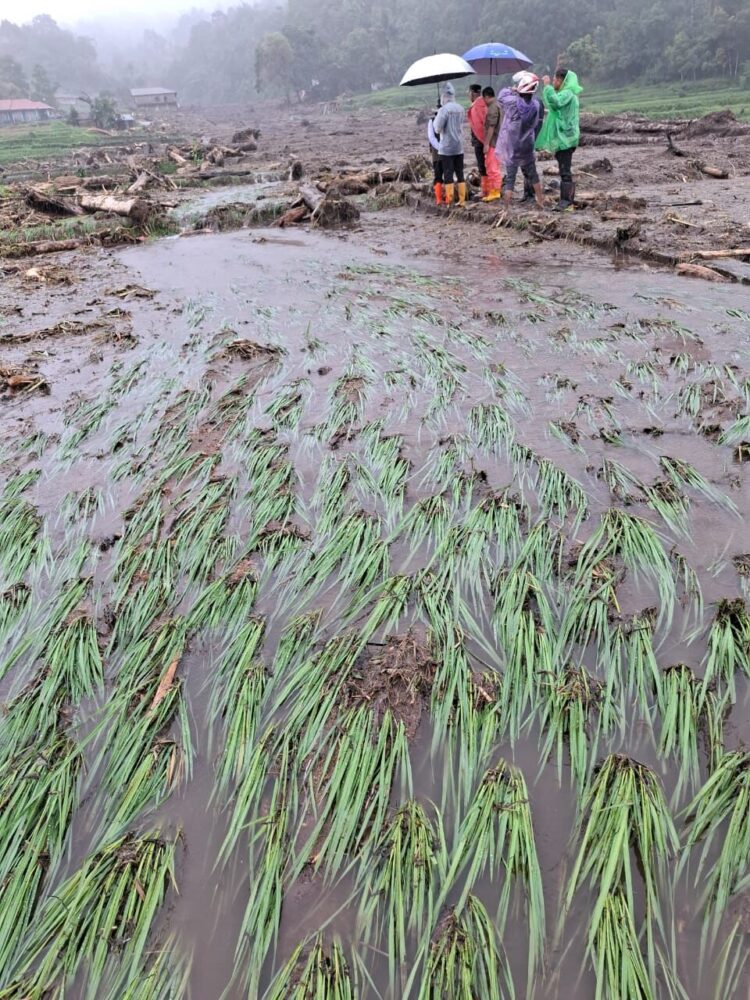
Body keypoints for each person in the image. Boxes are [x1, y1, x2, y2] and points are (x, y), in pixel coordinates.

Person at [536, 66, 582, 210]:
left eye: (555, 79)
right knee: (564, 169)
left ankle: (567, 202)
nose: (554, 81)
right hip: (565, 139)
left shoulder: (567, 93)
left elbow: (555, 102)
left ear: (561, 80)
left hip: (567, 139)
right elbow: (553, 102)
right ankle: (565, 201)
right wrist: (549, 89)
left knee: (565, 170)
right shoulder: (566, 93)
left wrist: (547, 87)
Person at [496, 73, 545, 209]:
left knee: (510, 178)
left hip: (512, 145)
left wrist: (512, 90)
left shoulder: (512, 102)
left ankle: (506, 208)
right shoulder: (535, 105)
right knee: (533, 174)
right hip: (527, 144)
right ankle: (540, 201)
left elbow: (500, 97)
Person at [433, 82, 466, 206]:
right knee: (460, 173)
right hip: (459, 146)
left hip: (446, 147)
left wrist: (437, 116)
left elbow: (437, 128)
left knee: (448, 173)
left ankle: (450, 200)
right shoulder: (461, 108)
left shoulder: (444, 110)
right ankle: (462, 201)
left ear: (444, 96)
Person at [481, 87, 502, 202]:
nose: (484, 102)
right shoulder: (497, 105)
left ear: (487, 97)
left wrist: (486, 144)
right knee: (495, 167)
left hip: (493, 142)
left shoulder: (492, 108)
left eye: (484, 99)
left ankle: (495, 192)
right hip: (497, 141)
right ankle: (494, 191)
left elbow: (491, 127)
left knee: (492, 167)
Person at [467, 84, 488, 195]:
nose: (468, 95)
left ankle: (485, 190)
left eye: (469, 92)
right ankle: (493, 188)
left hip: (480, 141)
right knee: (489, 164)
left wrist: (482, 140)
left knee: (482, 165)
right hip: (489, 140)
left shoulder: (475, 106)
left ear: (473, 93)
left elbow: (478, 126)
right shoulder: (486, 103)